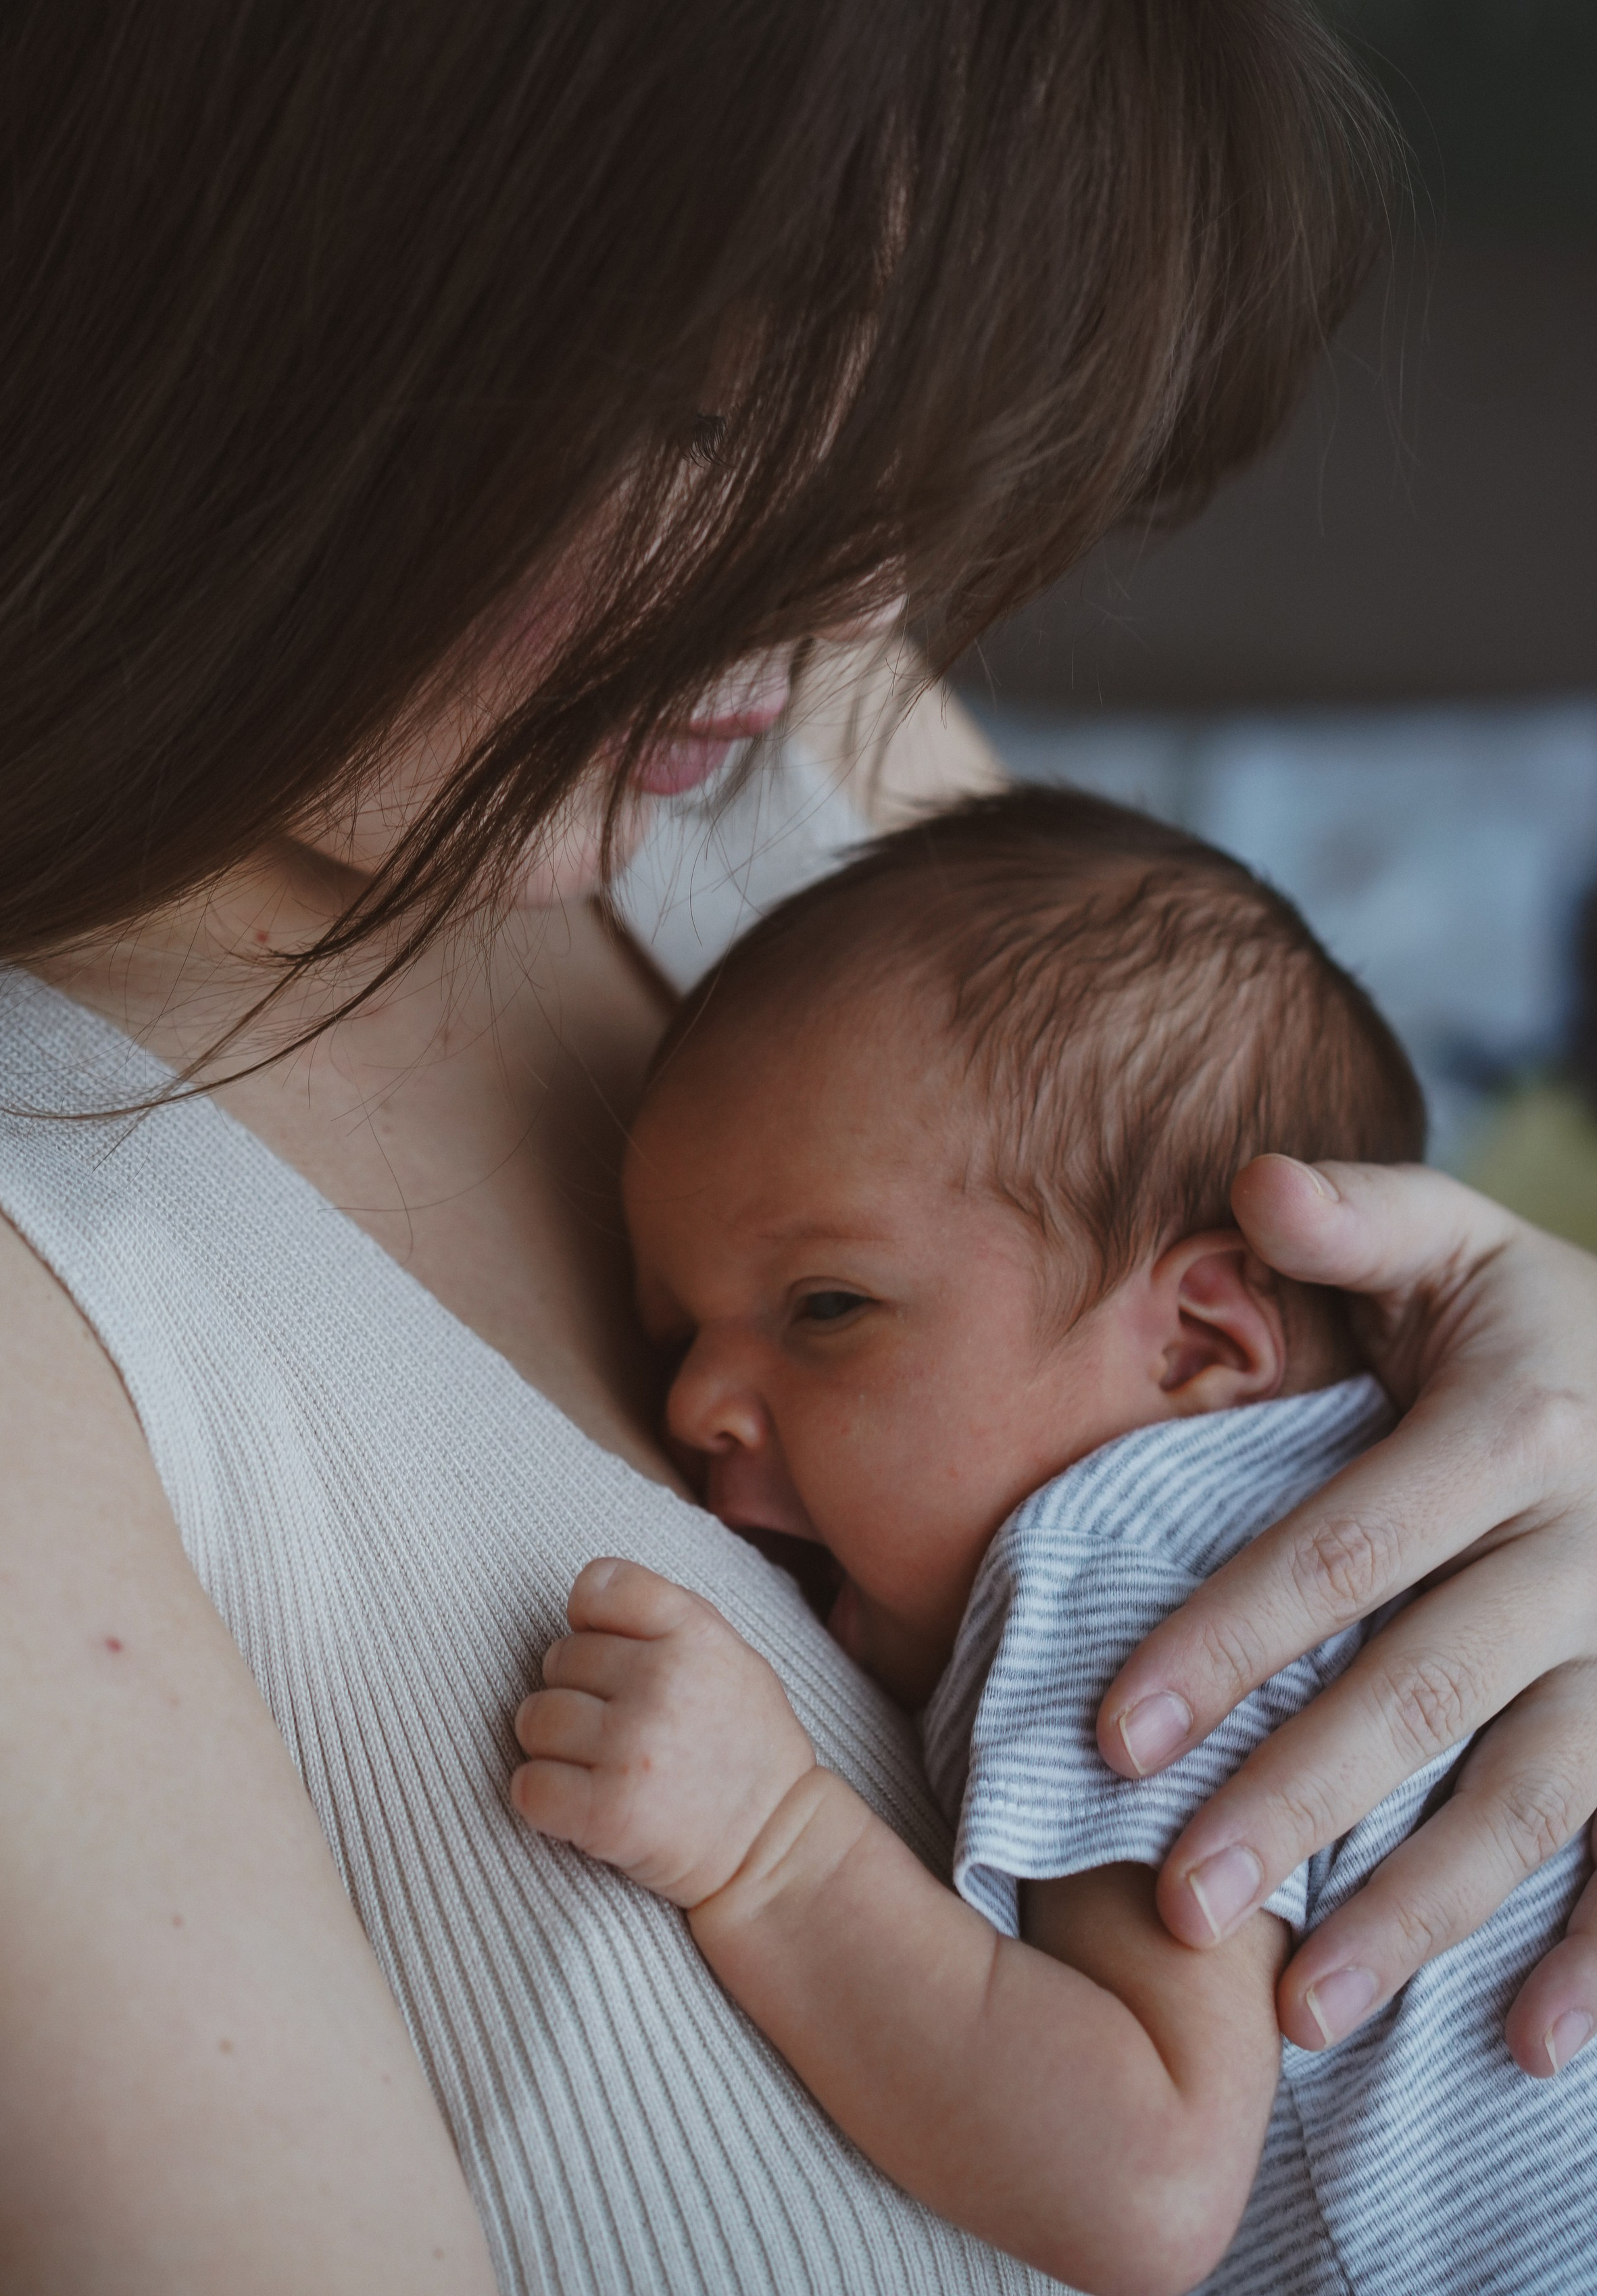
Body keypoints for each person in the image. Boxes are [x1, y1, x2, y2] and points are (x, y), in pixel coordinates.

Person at [0, 0, 1596, 2290]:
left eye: (897, 436)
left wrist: (1537, 1434)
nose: (844, 611)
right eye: (711, 409)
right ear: (196, 248)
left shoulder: (761, 743)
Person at [516, 787, 1594, 2295]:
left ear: (1198, 1339)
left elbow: (1145, 2173)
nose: (694, 1398)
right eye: (672, 1334)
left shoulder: (1122, 1547)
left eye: (825, 1306)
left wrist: (772, 1848)